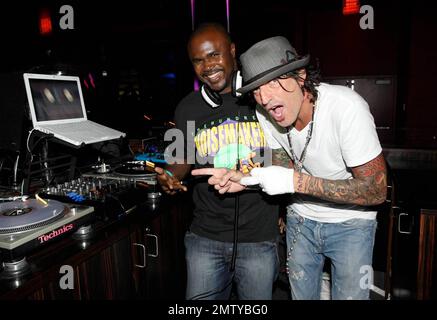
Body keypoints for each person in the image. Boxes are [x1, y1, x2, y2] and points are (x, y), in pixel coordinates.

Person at [192, 36, 387, 300]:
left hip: (352, 224)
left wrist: (296, 183)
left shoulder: (346, 107)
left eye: (273, 83)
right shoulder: (265, 115)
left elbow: (375, 191)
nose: (264, 98)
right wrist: (247, 178)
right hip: (301, 220)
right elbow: (285, 162)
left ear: (301, 76)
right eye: (256, 90)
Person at [154, 23, 279, 300]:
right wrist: (170, 176)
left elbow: (285, 157)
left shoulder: (263, 97)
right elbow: (180, 159)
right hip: (205, 237)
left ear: (233, 51)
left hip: (259, 236)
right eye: (198, 60)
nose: (207, 66)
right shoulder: (186, 107)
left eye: (213, 55)